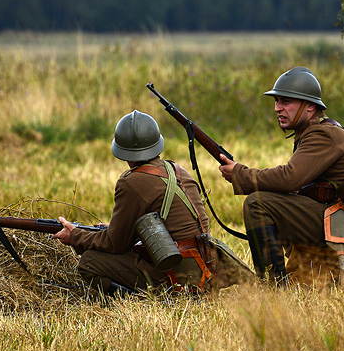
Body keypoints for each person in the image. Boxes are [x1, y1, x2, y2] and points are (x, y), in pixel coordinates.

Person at [54, 109, 251, 296]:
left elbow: (114, 244)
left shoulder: (130, 182)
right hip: (205, 269)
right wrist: (113, 229)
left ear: (123, 151)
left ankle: (145, 300)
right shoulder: (178, 170)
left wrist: (76, 236)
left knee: (90, 262)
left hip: (175, 275)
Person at [217, 66, 344, 286]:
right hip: (333, 219)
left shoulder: (324, 134)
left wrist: (241, 174)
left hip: (341, 225)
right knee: (267, 198)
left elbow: (289, 178)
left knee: (258, 203)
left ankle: (273, 285)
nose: (277, 108)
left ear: (310, 106)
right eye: (276, 102)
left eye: (286, 102)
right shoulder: (313, 131)